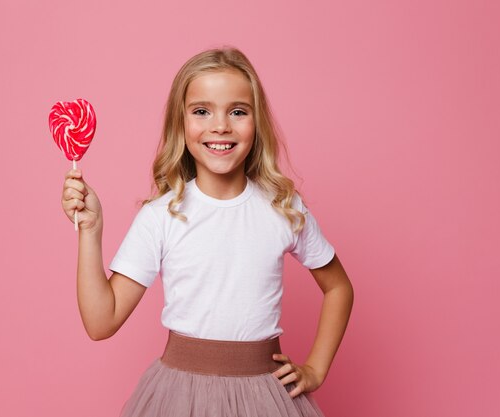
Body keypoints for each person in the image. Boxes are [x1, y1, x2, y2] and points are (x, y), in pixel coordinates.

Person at [60, 46, 354, 417]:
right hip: (179, 397)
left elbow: (339, 287)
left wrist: (316, 368)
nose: (220, 126)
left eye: (237, 111)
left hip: (265, 396)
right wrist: (91, 231)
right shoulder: (162, 216)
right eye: (202, 111)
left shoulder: (283, 208)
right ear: (180, 123)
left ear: (257, 121)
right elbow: (101, 322)